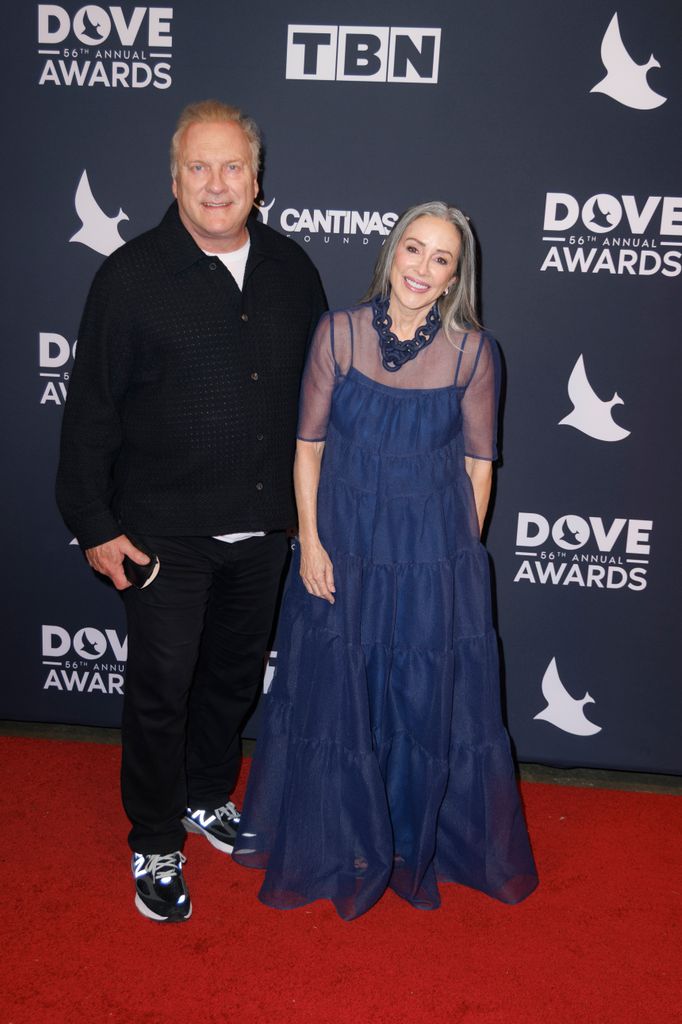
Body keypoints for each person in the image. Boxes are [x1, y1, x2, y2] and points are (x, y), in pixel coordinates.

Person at [56, 100, 326, 922]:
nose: (217, 184)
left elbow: (318, 406)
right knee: (161, 691)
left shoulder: (291, 270)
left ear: (257, 179)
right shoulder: (129, 277)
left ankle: (208, 793)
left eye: (232, 166)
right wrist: (95, 524)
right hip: (162, 534)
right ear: (174, 180)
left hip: (263, 531)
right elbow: (90, 412)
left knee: (234, 681)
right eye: (199, 168)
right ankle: (153, 838)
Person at [233, 201, 538, 919]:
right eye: (413, 249)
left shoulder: (473, 352)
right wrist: (310, 542)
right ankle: (337, 838)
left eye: (441, 259)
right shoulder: (337, 334)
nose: (422, 269)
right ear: (392, 252)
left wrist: (454, 560)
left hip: (430, 554)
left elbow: (480, 466)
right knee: (339, 696)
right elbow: (307, 449)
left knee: (418, 701)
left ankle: (414, 842)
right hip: (343, 547)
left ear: (457, 277)